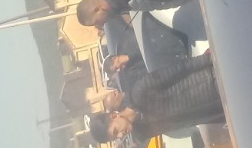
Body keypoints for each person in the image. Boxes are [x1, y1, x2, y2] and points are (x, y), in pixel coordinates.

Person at [91, 57, 225, 142]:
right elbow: (185, 123)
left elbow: (178, 69)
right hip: (218, 108)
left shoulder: (139, 91)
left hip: (211, 79)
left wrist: (209, 59)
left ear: (114, 116)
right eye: (116, 138)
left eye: (116, 131)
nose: (121, 136)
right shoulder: (143, 131)